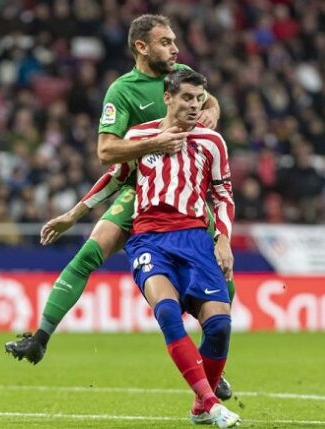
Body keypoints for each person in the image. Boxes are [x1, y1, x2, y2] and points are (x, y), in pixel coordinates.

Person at [4, 14, 235, 400]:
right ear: (141, 47)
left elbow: (207, 100)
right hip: (135, 187)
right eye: (165, 42)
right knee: (88, 254)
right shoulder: (122, 91)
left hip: (184, 194)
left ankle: (215, 364)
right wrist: (153, 145)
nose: (175, 49)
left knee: (222, 265)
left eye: (175, 41)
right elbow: (107, 151)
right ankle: (40, 337)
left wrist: (213, 111)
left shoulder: (182, 73)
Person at [81, 69, 239, 427]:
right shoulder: (140, 136)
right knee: (167, 313)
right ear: (167, 98)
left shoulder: (212, 142)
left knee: (219, 327)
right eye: (186, 97)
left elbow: (223, 195)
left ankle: (200, 407)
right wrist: (75, 212)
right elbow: (114, 178)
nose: (194, 106)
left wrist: (223, 238)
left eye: (199, 99)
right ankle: (213, 404)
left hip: (196, 239)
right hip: (150, 238)